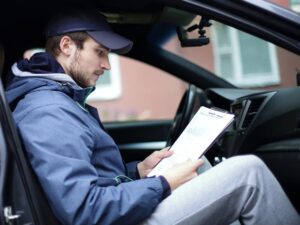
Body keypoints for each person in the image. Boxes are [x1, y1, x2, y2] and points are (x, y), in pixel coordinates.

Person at [5, 9, 299, 225]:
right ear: (67, 46)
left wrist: (139, 172)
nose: (107, 65)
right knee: (249, 174)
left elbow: (93, 179)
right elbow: (85, 210)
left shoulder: (59, 101)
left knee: (203, 167)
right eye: (100, 52)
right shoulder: (49, 111)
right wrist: (163, 184)